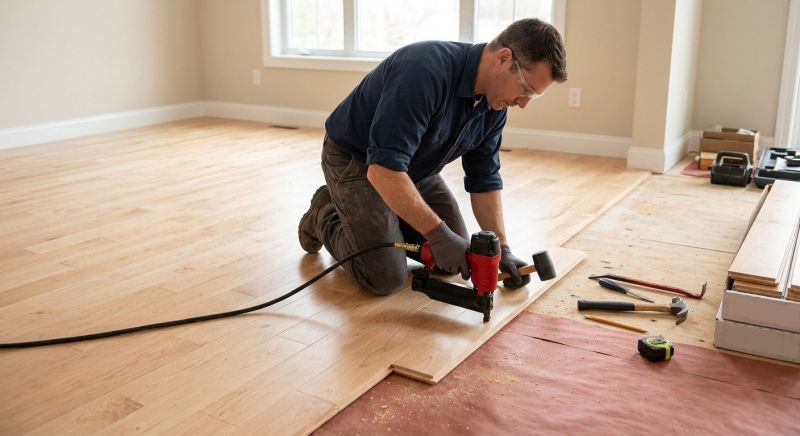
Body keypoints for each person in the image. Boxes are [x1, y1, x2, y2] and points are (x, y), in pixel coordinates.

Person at [298, 18, 567, 296]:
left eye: (532, 97)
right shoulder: (423, 71)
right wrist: (436, 233)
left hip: (415, 170)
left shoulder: (494, 106)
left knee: (455, 260)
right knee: (384, 275)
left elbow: (484, 180)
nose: (522, 103)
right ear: (503, 58)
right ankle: (324, 213)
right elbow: (383, 171)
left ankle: (385, 215)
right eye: (525, 89)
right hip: (358, 160)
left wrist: (503, 248)